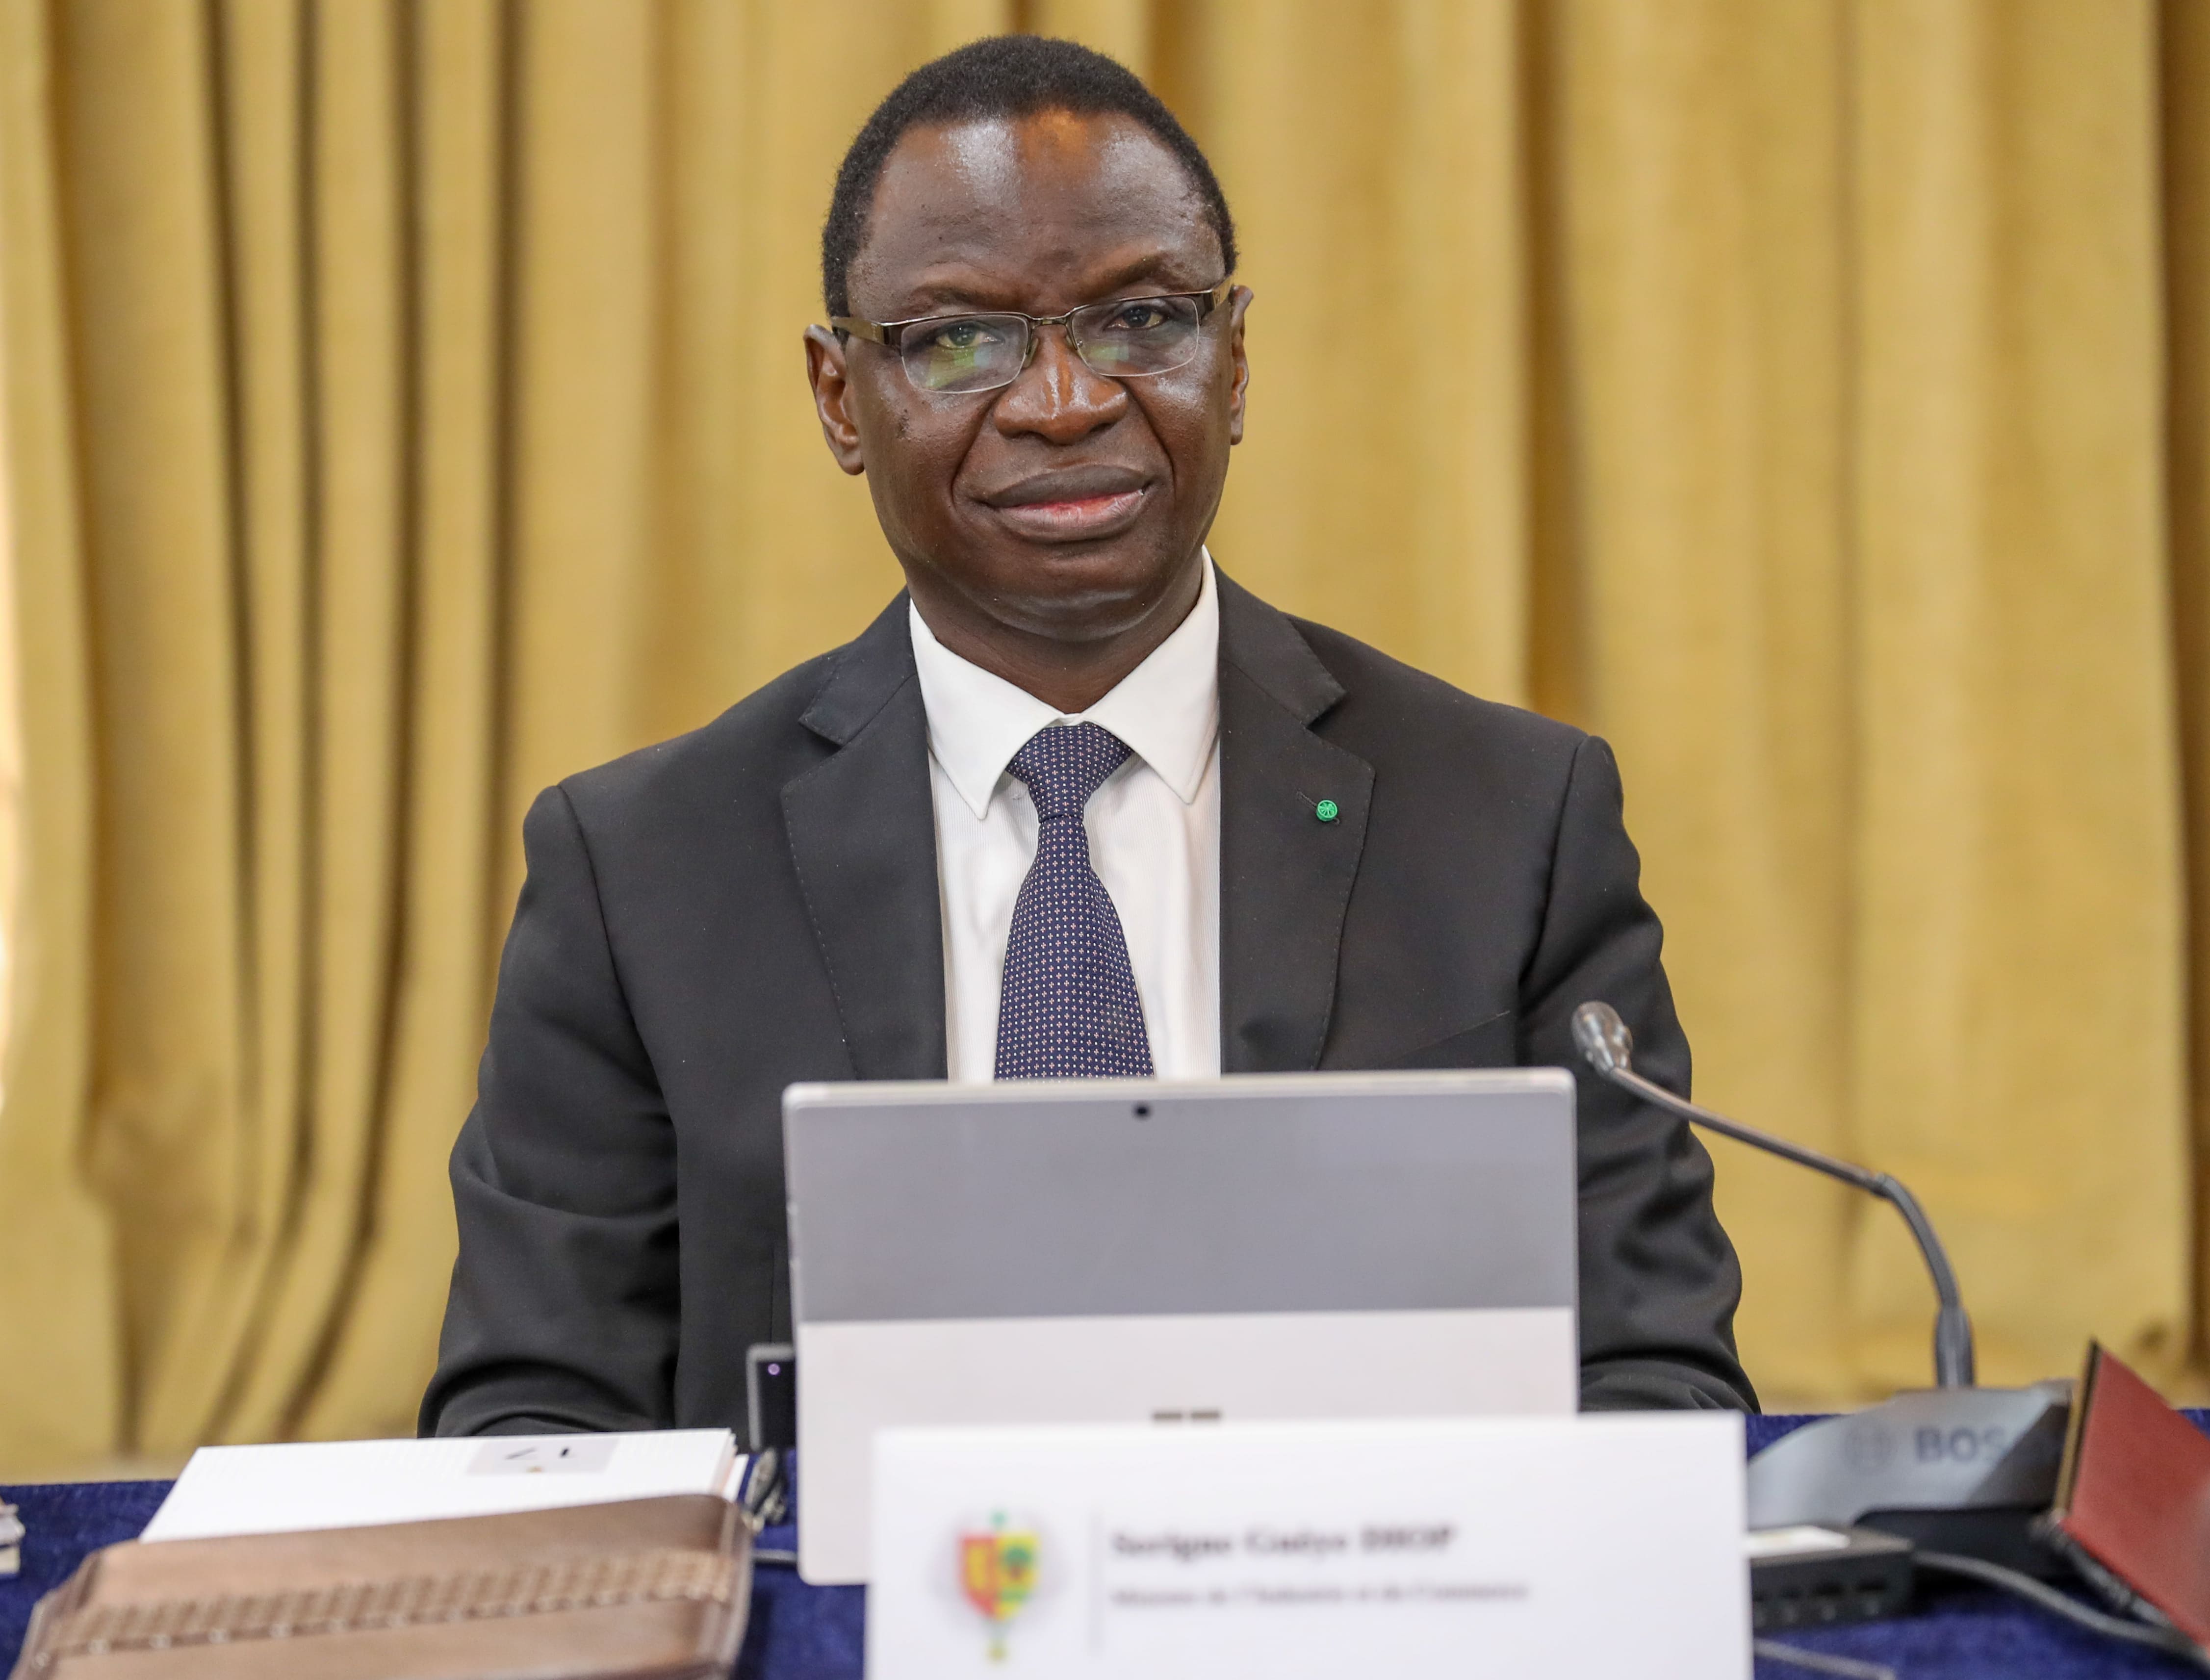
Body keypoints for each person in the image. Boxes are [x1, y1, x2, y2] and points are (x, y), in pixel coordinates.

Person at [420, 35, 1754, 1437]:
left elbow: (1655, 1373)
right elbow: (534, 1421)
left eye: (1143, 320)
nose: (1064, 403)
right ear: (840, 399)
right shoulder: (643, 870)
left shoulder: (1510, 820)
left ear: (1234, 363)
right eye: (957, 339)